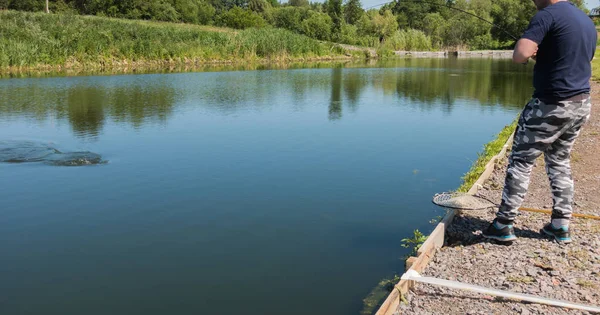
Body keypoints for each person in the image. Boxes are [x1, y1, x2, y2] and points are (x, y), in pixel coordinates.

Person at [482, 0, 596, 243]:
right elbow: (573, 58)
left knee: (521, 161)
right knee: (560, 162)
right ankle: (561, 225)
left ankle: (503, 224)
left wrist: (526, 53)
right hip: (581, 103)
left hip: (551, 104)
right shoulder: (585, 19)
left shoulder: (547, 15)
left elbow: (519, 54)